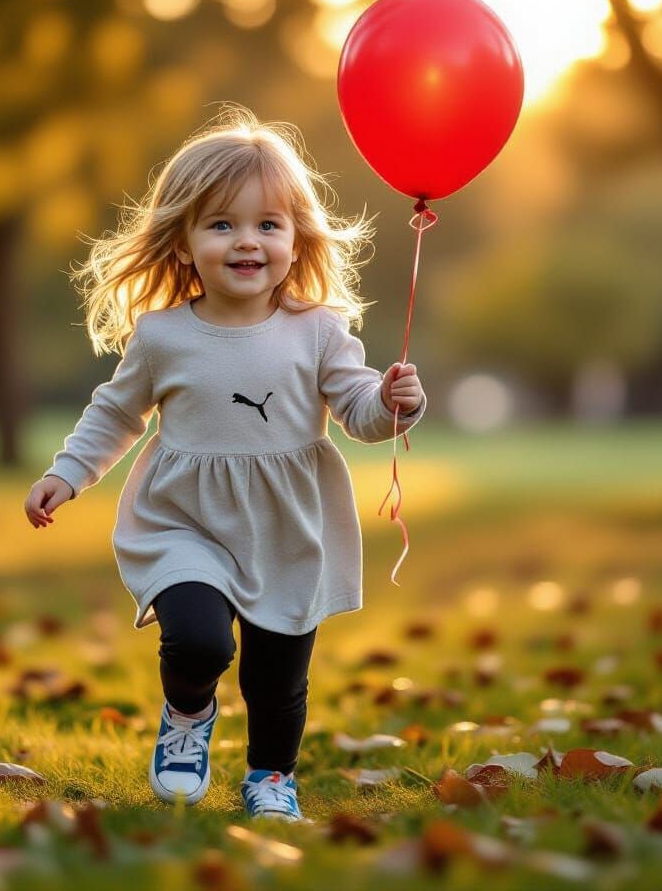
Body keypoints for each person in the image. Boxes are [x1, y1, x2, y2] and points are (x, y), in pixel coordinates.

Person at [23, 104, 426, 823]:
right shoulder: (164, 336)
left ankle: (272, 778)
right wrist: (67, 474)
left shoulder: (319, 332)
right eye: (222, 224)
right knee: (200, 640)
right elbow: (117, 412)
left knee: (277, 678)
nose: (248, 241)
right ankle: (187, 713)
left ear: (296, 238)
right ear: (182, 242)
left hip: (287, 527)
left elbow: (360, 410)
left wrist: (393, 401)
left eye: (268, 224)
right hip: (184, 521)